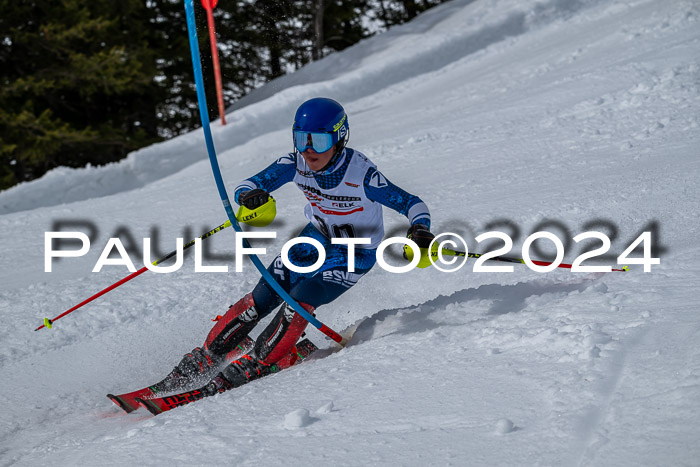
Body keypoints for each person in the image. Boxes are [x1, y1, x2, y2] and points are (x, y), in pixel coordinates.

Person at [171, 97, 435, 394]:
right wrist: (250, 197)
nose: (309, 150)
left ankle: (261, 361)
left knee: (299, 300)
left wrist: (420, 228)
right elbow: (247, 185)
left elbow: (413, 203)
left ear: (339, 138)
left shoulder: (362, 175)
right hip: (314, 239)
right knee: (261, 297)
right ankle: (209, 354)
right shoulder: (295, 163)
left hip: (354, 254)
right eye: (301, 139)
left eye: (319, 141)